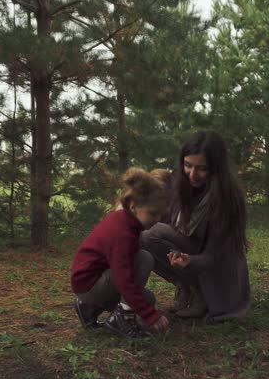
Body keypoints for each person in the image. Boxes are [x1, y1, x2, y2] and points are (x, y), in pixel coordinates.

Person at [141, 131, 251, 322]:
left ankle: (203, 294)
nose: (192, 175)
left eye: (202, 169)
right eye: (187, 165)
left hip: (218, 266)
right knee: (143, 235)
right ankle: (189, 288)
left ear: (216, 168)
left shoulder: (227, 199)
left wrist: (189, 260)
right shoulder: (183, 185)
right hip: (193, 253)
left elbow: (214, 256)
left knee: (153, 233)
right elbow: (165, 218)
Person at [70, 168, 171, 338]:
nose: (157, 219)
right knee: (144, 259)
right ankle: (121, 317)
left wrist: (146, 309)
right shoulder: (122, 233)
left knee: (148, 299)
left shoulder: (127, 221)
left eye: (160, 214)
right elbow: (123, 279)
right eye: (153, 214)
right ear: (134, 207)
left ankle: (88, 307)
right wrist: (150, 315)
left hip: (96, 282)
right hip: (90, 284)